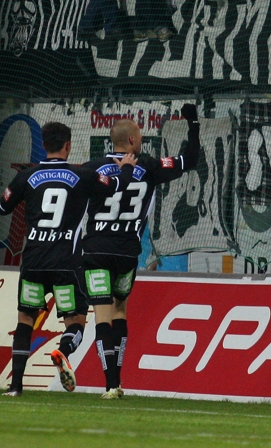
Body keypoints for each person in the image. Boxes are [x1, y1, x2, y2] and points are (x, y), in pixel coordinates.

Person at [0, 121, 137, 396]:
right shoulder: (82, 175)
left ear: (43, 144)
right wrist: (127, 168)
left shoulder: (27, 176)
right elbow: (115, 187)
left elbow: (3, 207)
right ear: (68, 145)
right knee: (76, 321)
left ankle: (15, 387)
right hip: (66, 263)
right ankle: (62, 351)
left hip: (33, 260)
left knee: (25, 319)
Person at [80, 103, 199, 399]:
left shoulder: (92, 168)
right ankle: (117, 382)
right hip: (127, 254)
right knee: (120, 311)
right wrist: (193, 124)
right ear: (132, 140)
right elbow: (190, 159)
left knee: (102, 316)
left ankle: (110, 383)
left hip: (95, 251)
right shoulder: (149, 167)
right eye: (140, 135)